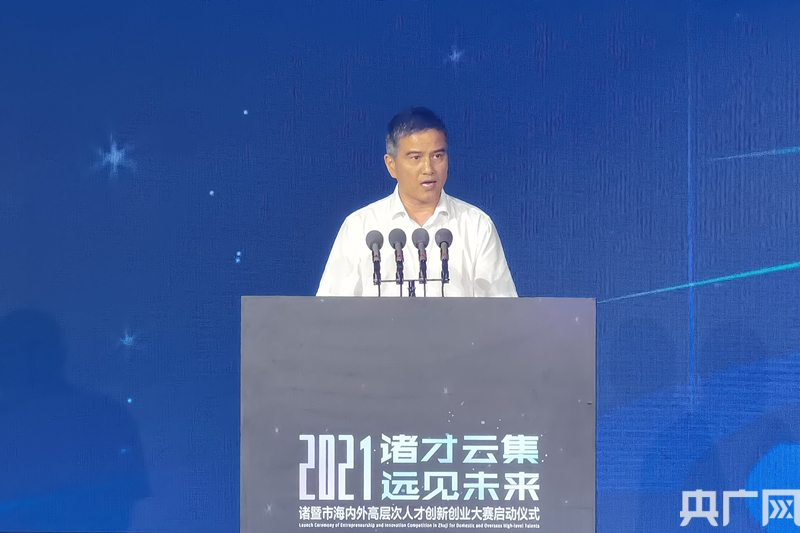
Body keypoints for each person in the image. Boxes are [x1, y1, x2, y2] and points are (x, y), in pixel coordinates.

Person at [317, 107, 517, 297]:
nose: (428, 168)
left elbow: (502, 309)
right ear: (391, 165)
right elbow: (330, 310)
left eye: (437, 156)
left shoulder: (476, 226)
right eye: (415, 158)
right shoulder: (360, 228)